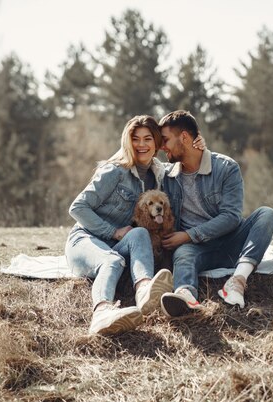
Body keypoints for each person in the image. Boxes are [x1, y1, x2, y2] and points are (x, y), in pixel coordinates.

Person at [65, 115, 204, 335]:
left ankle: (144, 291)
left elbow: (188, 165)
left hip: (118, 244)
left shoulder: (159, 174)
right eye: (135, 139)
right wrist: (113, 231)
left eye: (148, 139)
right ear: (127, 142)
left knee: (139, 233)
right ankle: (101, 314)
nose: (141, 145)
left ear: (157, 143)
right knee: (112, 260)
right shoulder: (114, 171)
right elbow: (77, 208)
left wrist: (200, 147)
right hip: (87, 240)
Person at [158, 110, 273, 317]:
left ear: (184, 137)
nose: (162, 147)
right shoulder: (166, 175)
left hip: (232, 241)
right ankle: (185, 295)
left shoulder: (226, 167)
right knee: (183, 254)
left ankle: (237, 282)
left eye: (166, 140)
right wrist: (187, 240)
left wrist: (188, 235)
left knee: (267, 214)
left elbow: (231, 217)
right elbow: (138, 159)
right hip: (196, 250)